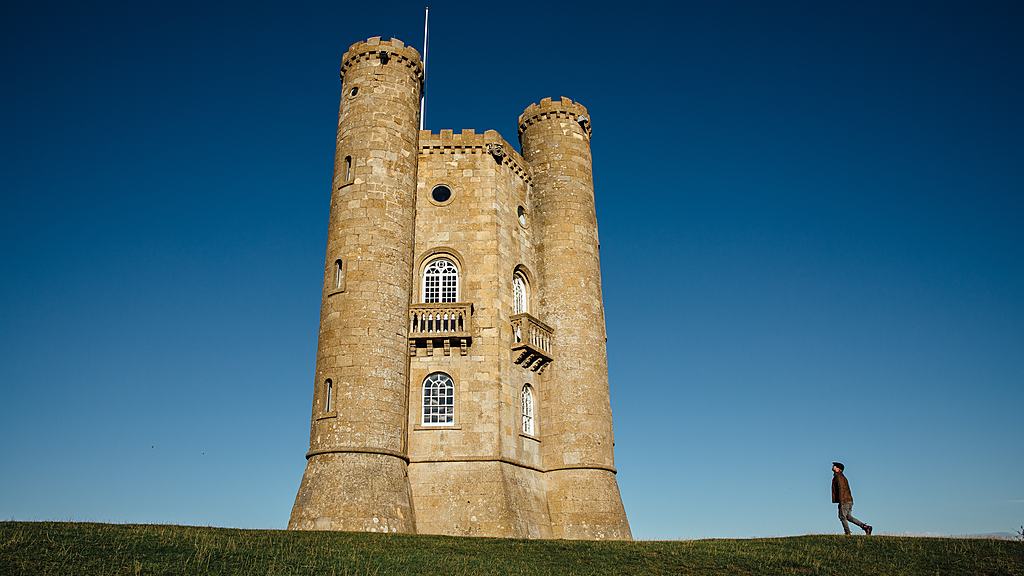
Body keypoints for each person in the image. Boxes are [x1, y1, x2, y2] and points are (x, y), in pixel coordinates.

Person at [832, 461, 873, 535]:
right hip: (848, 500)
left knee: (842, 516)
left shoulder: (839, 477)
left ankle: (847, 533)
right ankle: (866, 527)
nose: (833, 466)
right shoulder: (840, 476)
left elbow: (841, 489)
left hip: (844, 500)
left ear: (839, 469)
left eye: (835, 466)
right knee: (848, 517)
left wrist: (841, 502)